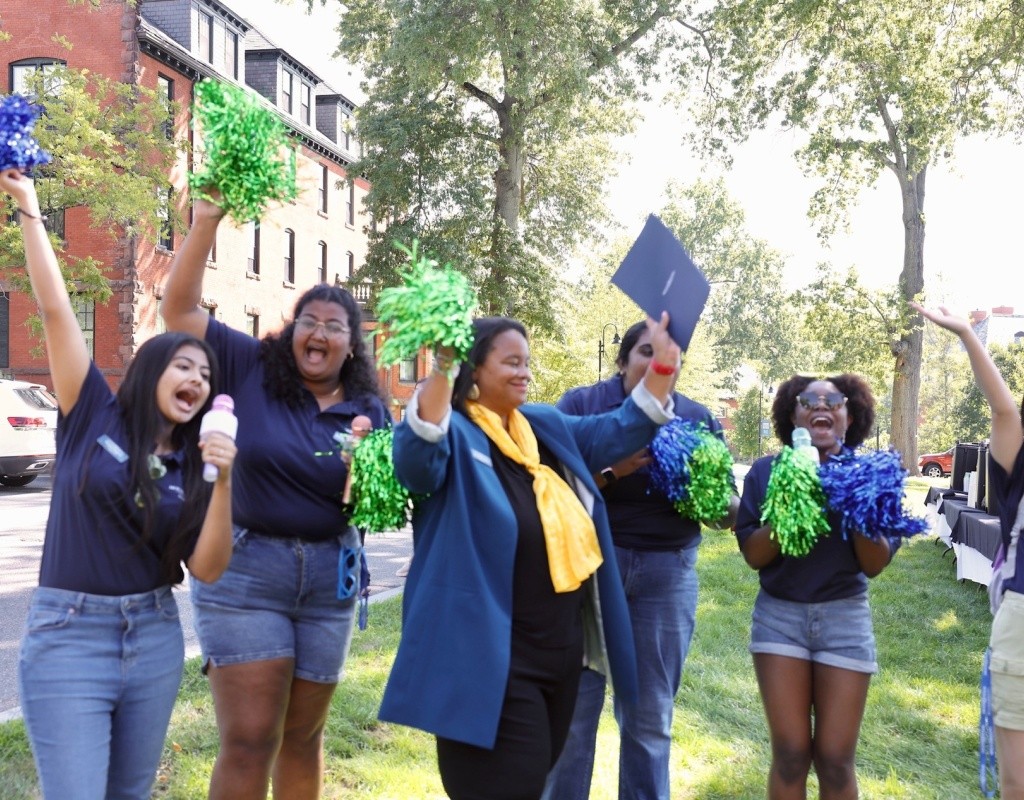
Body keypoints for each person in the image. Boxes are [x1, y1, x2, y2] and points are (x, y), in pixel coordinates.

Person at [378, 314, 682, 800]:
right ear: (474, 370)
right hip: (488, 664)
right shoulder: (453, 433)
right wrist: (443, 366)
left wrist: (663, 368)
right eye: (511, 362)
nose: (525, 372)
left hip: (558, 659)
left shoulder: (541, 426)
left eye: (527, 362)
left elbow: (618, 431)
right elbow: (417, 458)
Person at [2, 167, 236, 800]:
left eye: (206, 376)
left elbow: (208, 568)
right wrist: (28, 204)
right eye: (184, 365)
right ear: (153, 368)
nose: (197, 379)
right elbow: (56, 309)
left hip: (154, 636)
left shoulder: (195, 466)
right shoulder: (92, 413)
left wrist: (223, 481)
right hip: (68, 634)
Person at [160, 197, 390, 799]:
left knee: (303, 736)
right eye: (308, 321)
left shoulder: (368, 408)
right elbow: (178, 309)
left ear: (351, 343)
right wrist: (207, 220)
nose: (319, 333)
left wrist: (364, 468)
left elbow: (380, 504)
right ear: (292, 331)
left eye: (334, 326)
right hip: (246, 571)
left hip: (330, 578)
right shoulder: (250, 364)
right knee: (250, 738)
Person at [542, 320, 739, 800]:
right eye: (646, 352)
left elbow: (729, 513)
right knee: (572, 715)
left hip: (665, 575)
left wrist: (700, 490)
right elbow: (543, 490)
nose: (657, 362)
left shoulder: (695, 417)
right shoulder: (582, 405)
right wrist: (610, 472)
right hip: (586, 572)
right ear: (623, 359)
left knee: (649, 720)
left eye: (668, 355)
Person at [734, 373, 901, 800]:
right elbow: (754, 555)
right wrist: (794, 502)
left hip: (845, 620)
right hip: (779, 618)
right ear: (793, 417)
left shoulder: (870, 475)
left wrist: (852, 498)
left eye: (834, 401)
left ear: (851, 416)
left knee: (835, 759)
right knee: (790, 755)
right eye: (808, 401)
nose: (821, 406)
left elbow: (874, 564)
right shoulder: (767, 472)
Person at [913, 303, 1024, 800]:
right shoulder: (1016, 463)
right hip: (1021, 625)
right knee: (1017, 783)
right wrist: (965, 335)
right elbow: (1003, 408)